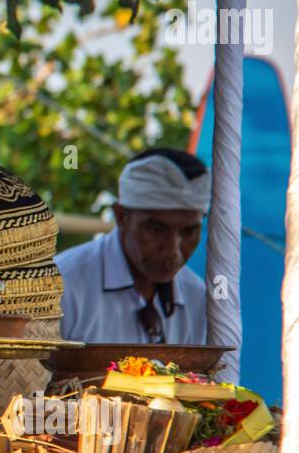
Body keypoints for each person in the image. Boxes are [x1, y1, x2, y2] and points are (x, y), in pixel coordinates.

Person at [56, 148, 210, 345]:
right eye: (157, 229)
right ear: (121, 217)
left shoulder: (197, 298)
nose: (173, 250)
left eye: (189, 232)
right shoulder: (62, 288)